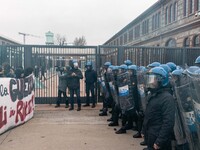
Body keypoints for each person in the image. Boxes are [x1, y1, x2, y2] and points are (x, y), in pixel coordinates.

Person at [142, 67, 175, 150]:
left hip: (159, 140)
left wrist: (159, 141)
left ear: (161, 80)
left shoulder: (167, 98)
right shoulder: (153, 95)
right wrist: (144, 130)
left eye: (153, 79)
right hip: (151, 136)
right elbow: (148, 115)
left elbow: (168, 122)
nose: (151, 82)